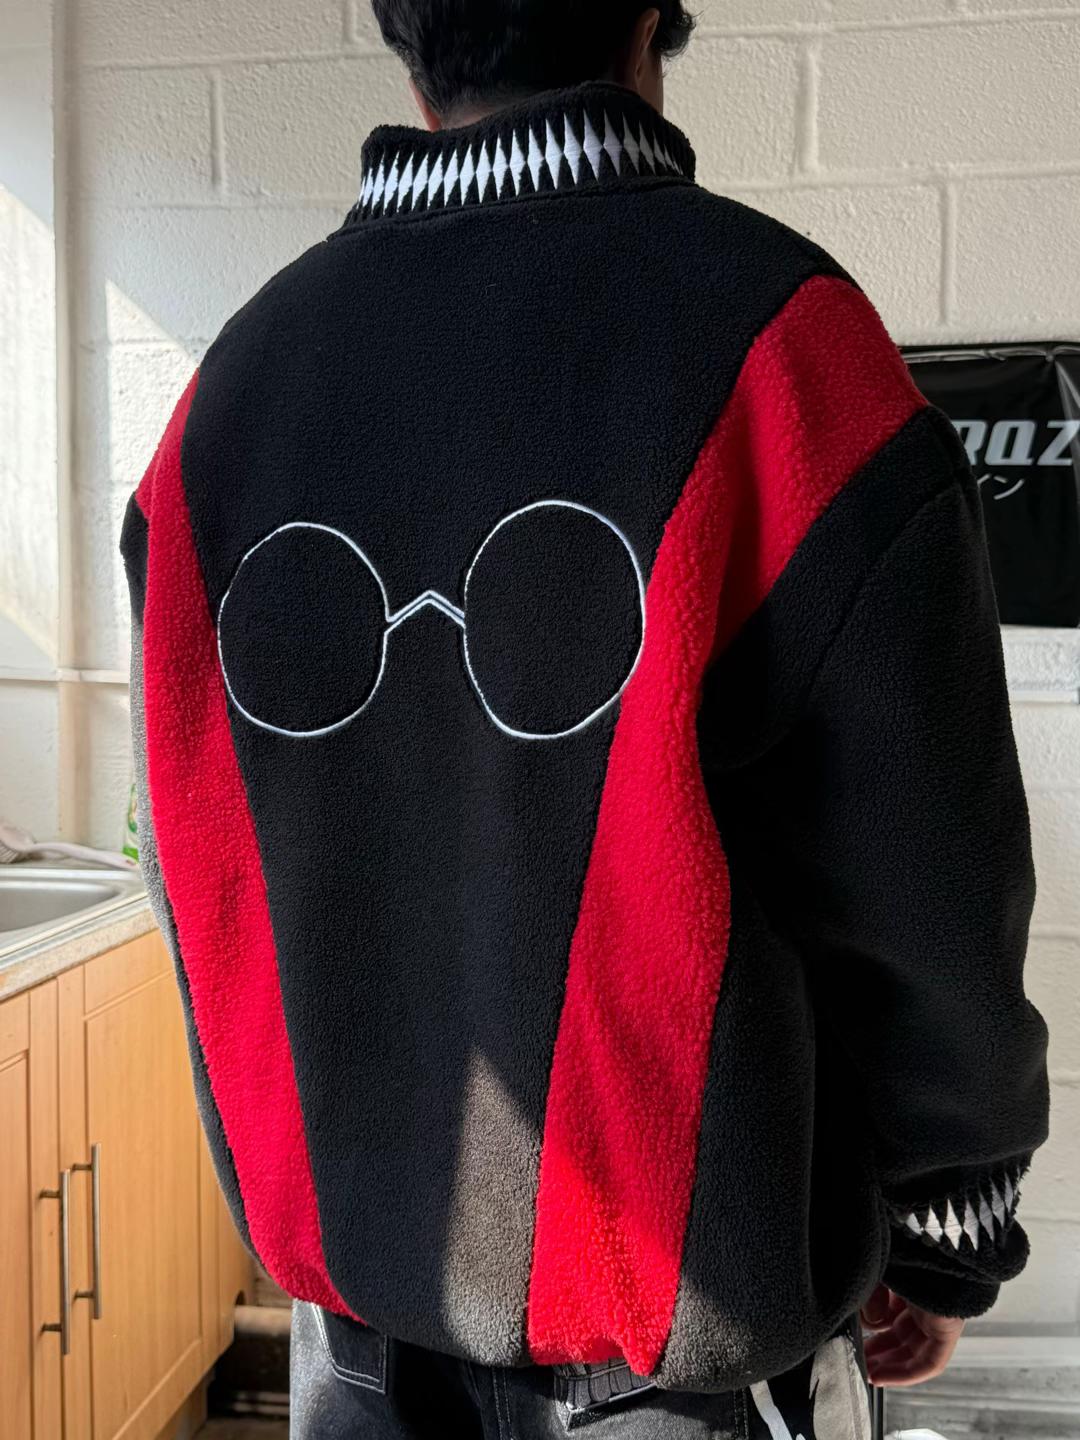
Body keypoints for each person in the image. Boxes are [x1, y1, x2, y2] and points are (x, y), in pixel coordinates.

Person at [119, 2, 1052, 1436]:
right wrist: (947, 1228)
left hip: (355, 1353)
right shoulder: (783, 348)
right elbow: (927, 878)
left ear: (400, 29)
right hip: (679, 1366)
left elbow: (192, 868)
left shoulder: (229, 396)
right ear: (650, 13)